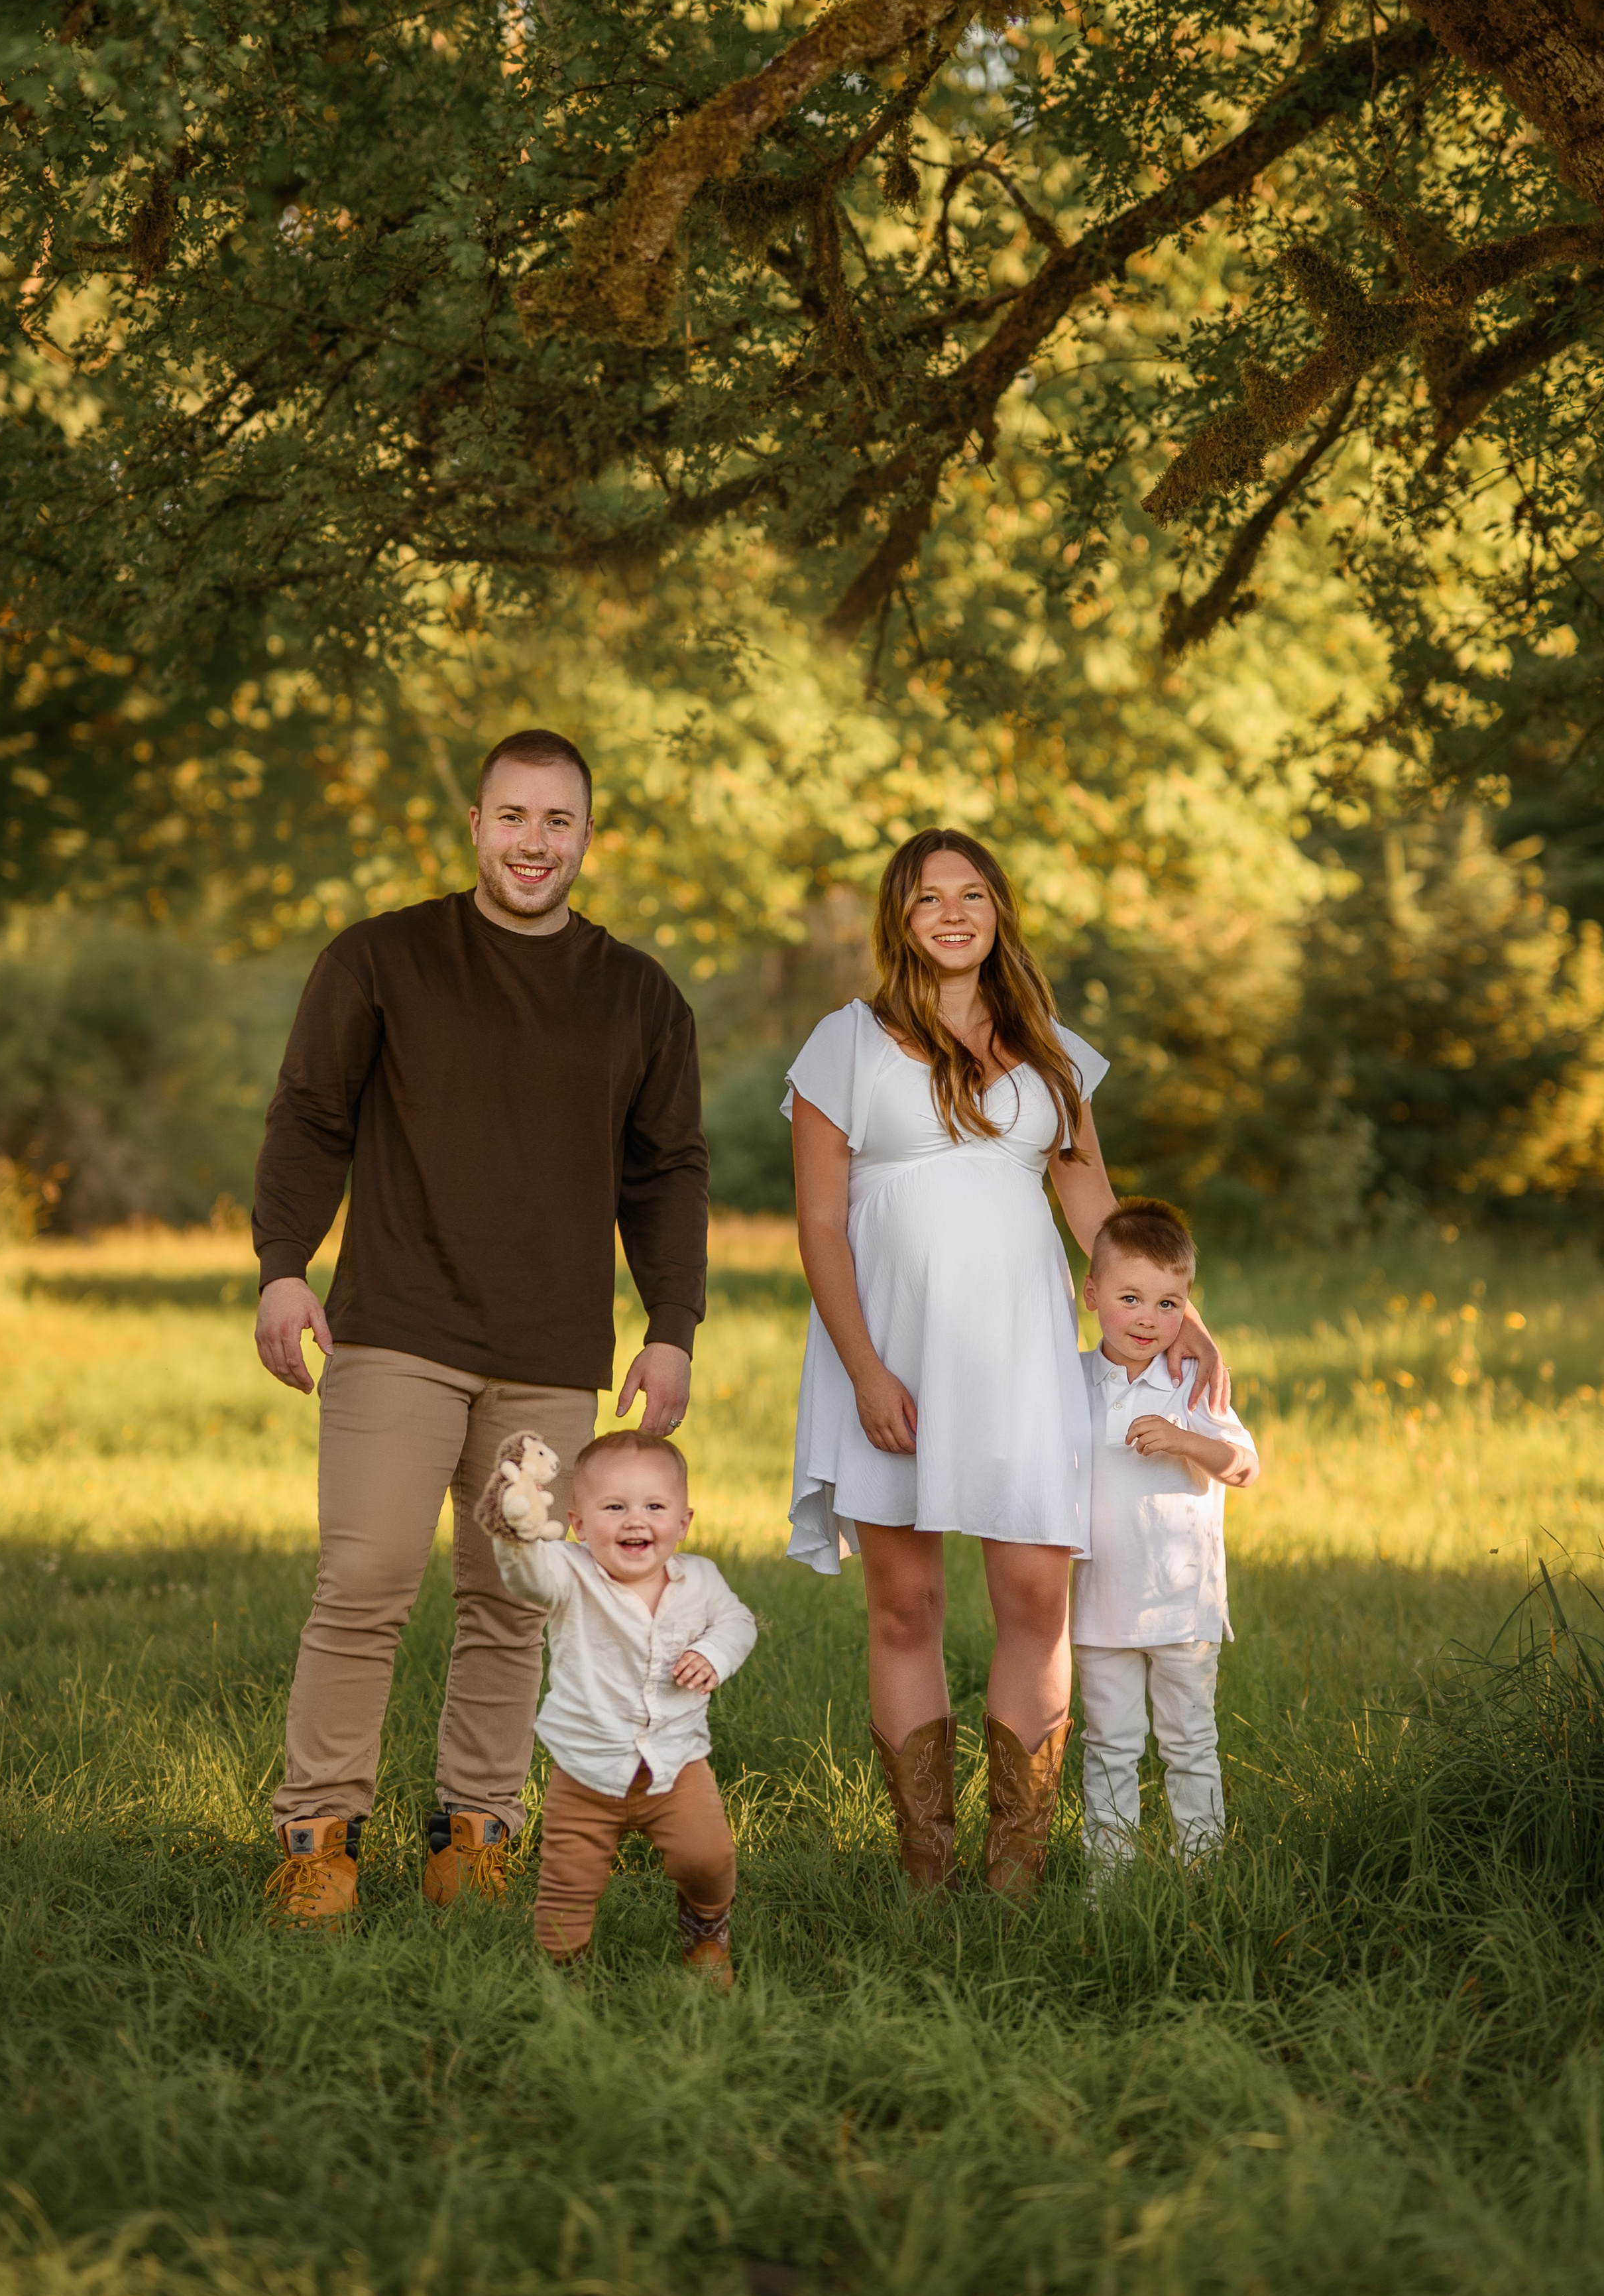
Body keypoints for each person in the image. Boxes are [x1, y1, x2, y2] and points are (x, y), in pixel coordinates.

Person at [252, 730, 710, 1922]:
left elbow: (668, 1172)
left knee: (513, 1598)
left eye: (558, 821)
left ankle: (476, 1833)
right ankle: (318, 1839)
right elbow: (309, 1117)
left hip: (551, 1350)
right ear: (475, 825)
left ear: (588, 835)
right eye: (514, 817)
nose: (534, 843)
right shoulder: (380, 959)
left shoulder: (640, 997)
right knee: (366, 1578)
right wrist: (283, 1266)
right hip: (397, 1326)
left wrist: (672, 1324)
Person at [785, 828, 1226, 1894]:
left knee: (1035, 1598)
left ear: (998, 912)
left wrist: (1185, 1315)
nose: (952, 913)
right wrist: (865, 1371)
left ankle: (1015, 1875)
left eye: (972, 894)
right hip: (889, 1351)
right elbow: (820, 1223)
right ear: (899, 918)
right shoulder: (846, 1042)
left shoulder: (1050, 1049)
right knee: (905, 1605)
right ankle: (927, 1871)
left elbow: (1093, 1203)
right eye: (928, 897)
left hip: (1021, 1353)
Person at [488, 1428, 756, 1985]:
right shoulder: (568, 1572)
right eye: (614, 1507)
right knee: (568, 1883)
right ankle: (564, 1973)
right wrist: (518, 1536)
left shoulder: (700, 1580)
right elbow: (528, 1577)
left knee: (707, 1860)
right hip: (586, 1771)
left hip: (677, 1766)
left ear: (683, 1522)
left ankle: (706, 1930)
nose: (636, 1521)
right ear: (579, 1524)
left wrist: (713, 1653)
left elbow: (738, 1622)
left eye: (654, 1507)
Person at [1070, 1199, 1259, 1865]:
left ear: (1186, 1308)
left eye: (1168, 1303)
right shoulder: (1070, 1382)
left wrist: (1186, 1440)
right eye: (1130, 1299)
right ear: (1093, 1294)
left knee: (1189, 1743)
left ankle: (1201, 1867)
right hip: (1099, 1608)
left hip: (1182, 1605)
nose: (1149, 1319)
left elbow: (1245, 1466)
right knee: (1109, 1746)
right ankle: (1109, 1876)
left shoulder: (1189, 1383)